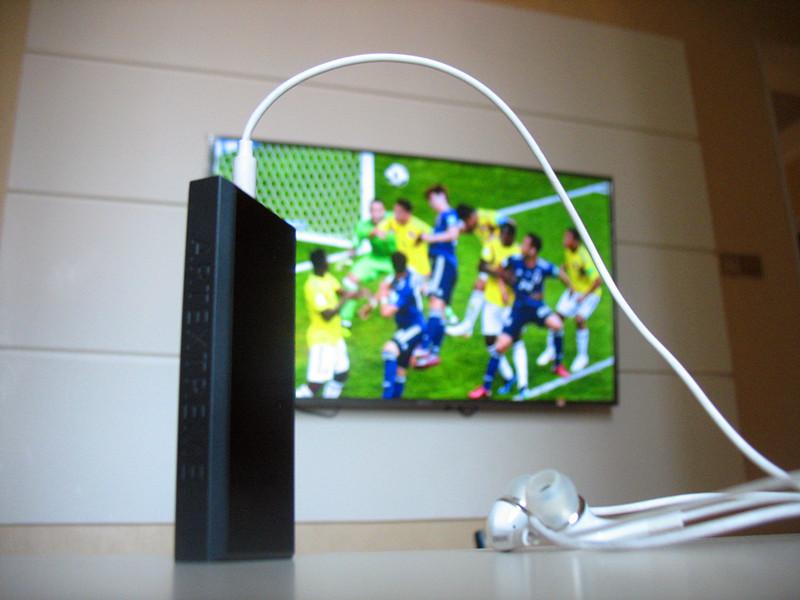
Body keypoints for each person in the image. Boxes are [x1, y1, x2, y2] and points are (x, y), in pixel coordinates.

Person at [468, 233, 571, 400]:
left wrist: (571, 288)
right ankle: (486, 388)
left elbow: (558, 272)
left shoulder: (542, 266)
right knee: (499, 347)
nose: (521, 246)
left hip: (537, 308)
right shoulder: (514, 260)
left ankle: (558, 365)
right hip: (519, 310)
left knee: (558, 325)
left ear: (533, 250)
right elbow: (500, 270)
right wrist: (503, 288)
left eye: (525, 244)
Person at [537, 227, 602, 372]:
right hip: (574, 291)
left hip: (590, 294)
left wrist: (584, 296)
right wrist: (564, 269)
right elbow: (571, 264)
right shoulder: (569, 250)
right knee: (556, 317)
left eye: (567, 238)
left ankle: (583, 357)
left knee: (579, 320)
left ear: (575, 241)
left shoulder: (585, 257)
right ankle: (551, 350)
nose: (564, 240)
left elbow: (597, 280)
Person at [296, 249, 358, 399]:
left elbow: (341, 292)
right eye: (326, 260)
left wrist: (356, 294)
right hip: (322, 340)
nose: (328, 262)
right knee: (315, 385)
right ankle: (290, 403)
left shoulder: (327, 278)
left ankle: (329, 402)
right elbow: (327, 315)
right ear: (320, 263)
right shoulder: (313, 286)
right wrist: (345, 299)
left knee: (342, 374)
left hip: (335, 336)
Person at [413, 185, 461, 369]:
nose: (431, 204)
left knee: (435, 302)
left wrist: (429, 238)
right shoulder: (441, 216)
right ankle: (433, 353)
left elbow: (453, 234)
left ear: (442, 196)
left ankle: (425, 346)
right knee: (439, 309)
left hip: (444, 262)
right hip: (442, 264)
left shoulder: (449, 214)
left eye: (432, 199)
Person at [446, 203, 511, 337]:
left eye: (467, 222)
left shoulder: (487, 216)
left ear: (471, 217)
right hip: (491, 257)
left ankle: (468, 326)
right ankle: (468, 326)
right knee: (481, 286)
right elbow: (464, 229)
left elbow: (510, 223)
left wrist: (498, 238)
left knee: (493, 289)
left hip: (501, 257)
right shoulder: (474, 223)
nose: (467, 225)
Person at [476, 221, 526, 396]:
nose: (503, 238)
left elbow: (516, 280)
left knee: (516, 340)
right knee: (490, 340)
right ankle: (509, 376)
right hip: (491, 301)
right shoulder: (492, 244)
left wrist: (498, 271)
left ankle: (523, 383)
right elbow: (481, 265)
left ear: (512, 236)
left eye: (506, 236)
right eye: (501, 235)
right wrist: (500, 272)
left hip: (510, 305)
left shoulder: (518, 253)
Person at [368, 252, 426, 399]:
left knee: (389, 350)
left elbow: (386, 312)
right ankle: (395, 402)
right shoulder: (401, 276)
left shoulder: (407, 287)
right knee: (400, 369)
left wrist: (383, 297)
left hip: (415, 327)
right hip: (406, 328)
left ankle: (386, 399)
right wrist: (370, 306)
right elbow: (384, 287)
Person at [339, 199, 396, 329]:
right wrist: (348, 257)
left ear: (384, 211)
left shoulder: (394, 220)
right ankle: (345, 318)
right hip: (374, 258)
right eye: (373, 211)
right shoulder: (364, 225)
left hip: (394, 260)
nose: (377, 214)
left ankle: (372, 306)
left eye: (379, 210)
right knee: (350, 280)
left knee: (392, 285)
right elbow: (355, 245)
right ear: (370, 213)